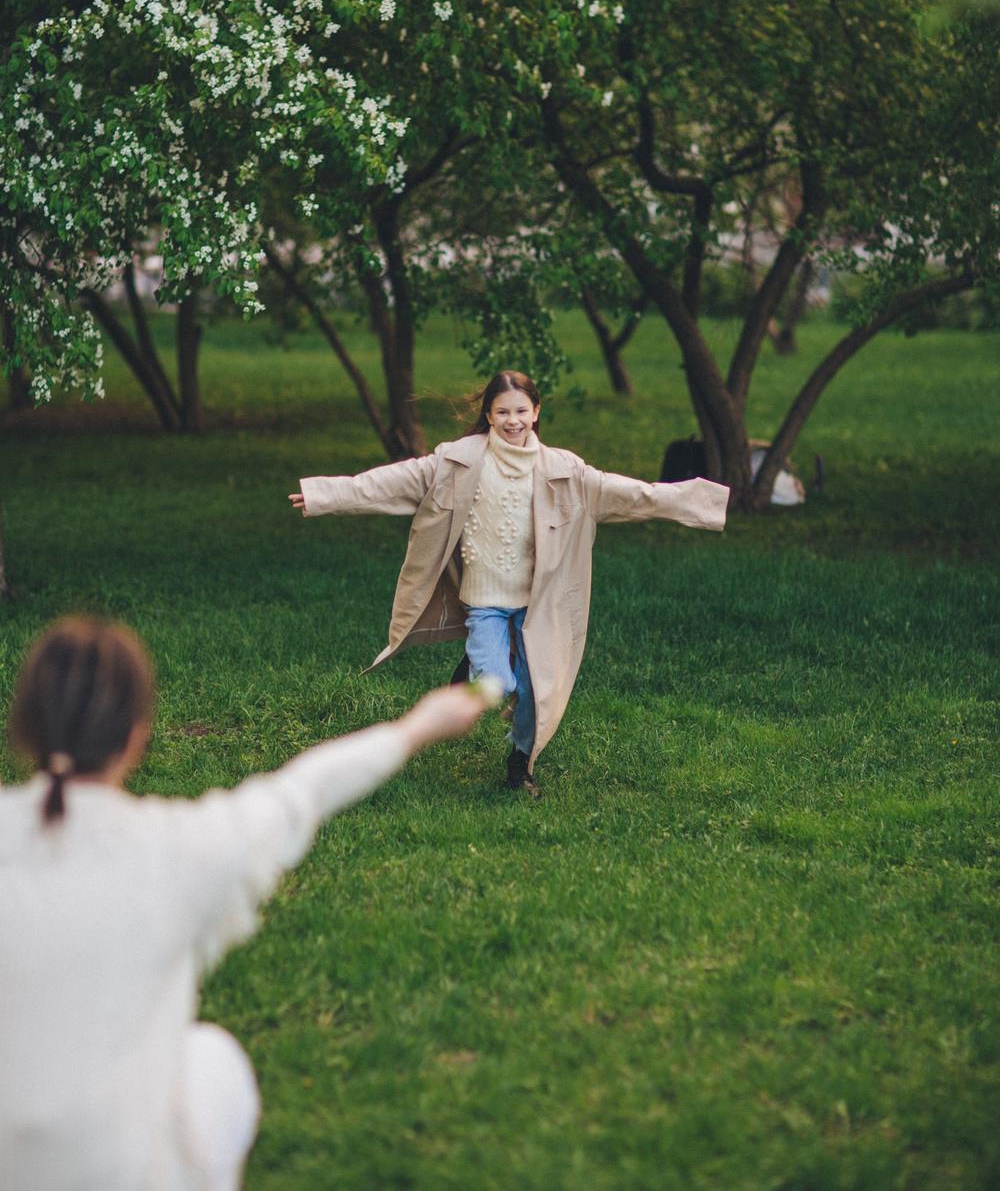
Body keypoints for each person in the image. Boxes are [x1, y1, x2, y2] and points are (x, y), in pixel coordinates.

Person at [0, 616, 487, 1191]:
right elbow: (299, 793)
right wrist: (415, 727)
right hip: (121, 1174)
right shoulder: (176, 851)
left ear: (25, 721)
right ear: (135, 736)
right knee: (213, 1061)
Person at [290, 370, 730, 798]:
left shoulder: (565, 471)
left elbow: (634, 494)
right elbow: (387, 483)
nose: (513, 421)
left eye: (521, 411)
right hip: (485, 600)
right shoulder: (457, 461)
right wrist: (325, 495)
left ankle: (520, 766)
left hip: (537, 605)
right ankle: (474, 665)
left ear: (536, 412)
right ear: (489, 415)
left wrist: (699, 502)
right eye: (502, 412)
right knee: (499, 685)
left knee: (535, 694)